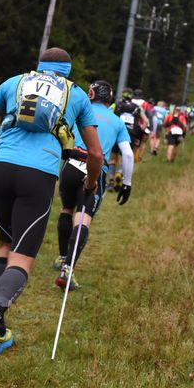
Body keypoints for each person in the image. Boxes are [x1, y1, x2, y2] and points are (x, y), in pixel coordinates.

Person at [0, 48, 103, 379]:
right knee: (23, 256)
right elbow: (94, 153)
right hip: (38, 171)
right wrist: (91, 183)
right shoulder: (76, 95)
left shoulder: (14, 82)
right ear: (66, 70)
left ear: (39, 66)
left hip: (1, 165)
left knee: (5, 245)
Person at [53, 80, 134, 290]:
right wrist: (127, 183)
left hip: (70, 165)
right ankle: (68, 269)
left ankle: (62, 257)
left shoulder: (81, 113)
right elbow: (127, 154)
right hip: (95, 169)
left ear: (91, 94)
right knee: (83, 218)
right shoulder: (117, 122)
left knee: (66, 209)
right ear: (110, 98)